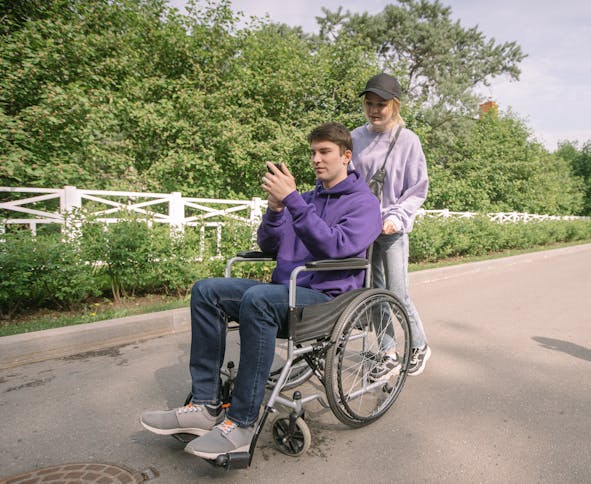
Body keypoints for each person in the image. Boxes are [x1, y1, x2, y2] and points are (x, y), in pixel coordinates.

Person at [140, 122, 382, 459]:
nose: (316, 159)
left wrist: (294, 202)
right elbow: (268, 243)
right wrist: (276, 209)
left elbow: (335, 246)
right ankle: (205, 404)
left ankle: (241, 424)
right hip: (284, 293)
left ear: (346, 156)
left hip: (327, 301)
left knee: (259, 298)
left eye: (324, 152)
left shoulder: (364, 203)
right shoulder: (306, 199)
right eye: (312, 152)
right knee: (206, 290)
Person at [350, 73, 431, 376]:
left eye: (381, 104)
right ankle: (388, 353)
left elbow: (417, 187)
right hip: (364, 228)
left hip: (393, 229)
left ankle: (419, 345)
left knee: (397, 293)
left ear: (394, 106)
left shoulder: (409, 141)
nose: (374, 109)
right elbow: (349, 180)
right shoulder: (356, 138)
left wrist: (397, 217)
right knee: (373, 294)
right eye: (369, 103)